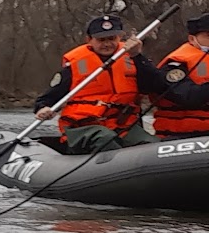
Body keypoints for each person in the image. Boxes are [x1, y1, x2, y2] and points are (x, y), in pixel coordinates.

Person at [34, 14, 166, 154]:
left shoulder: (133, 59)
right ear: (89, 40)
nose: (107, 44)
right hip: (84, 128)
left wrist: (138, 57)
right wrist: (43, 108)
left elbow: (155, 85)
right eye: (101, 40)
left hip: (122, 125)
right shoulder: (74, 66)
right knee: (105, 139)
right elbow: (48, 98)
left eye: (111, 39)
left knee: (150, 145)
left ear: (119, 38)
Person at [153, 13, 209, 140]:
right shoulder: (176, 64)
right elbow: (187, 96)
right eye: (208, 36)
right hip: (182, 135)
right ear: (192, 39)